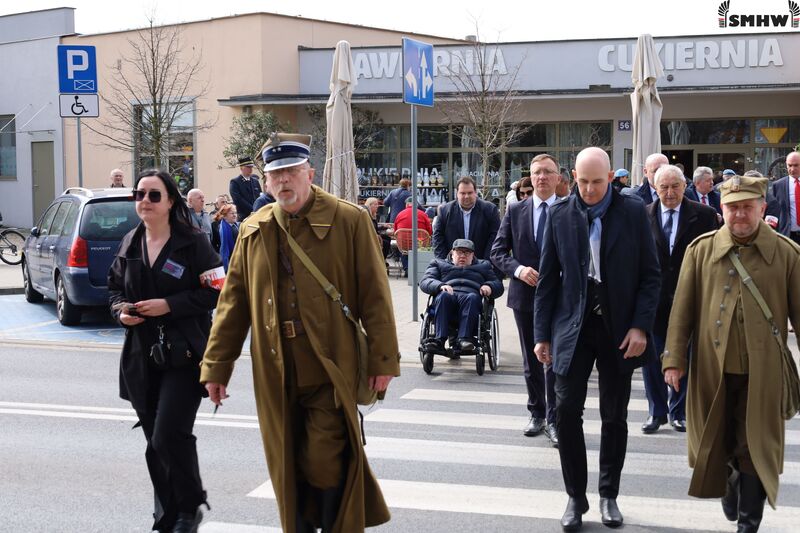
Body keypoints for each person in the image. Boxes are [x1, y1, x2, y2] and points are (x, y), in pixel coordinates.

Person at [200, 133, 400, 533]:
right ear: (265, 183)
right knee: (287, 462)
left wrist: (383, 360)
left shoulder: (350, 220)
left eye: (291, 171)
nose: (284, 181)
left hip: (330, 365)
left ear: (310, 173)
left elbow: (375, 297)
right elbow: (233, 305)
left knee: (323, 459)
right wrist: (216, 367)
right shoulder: (254, 228)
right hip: (276, 368)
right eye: (275, 175)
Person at [663, 175, 800, 532]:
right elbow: (682, 310)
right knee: (718, 442)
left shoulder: (787, 254)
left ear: (762, 208)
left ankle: (748, 523)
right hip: (712, 370)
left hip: (764, 373)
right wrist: (674, 359)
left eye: (747, 207)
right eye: (733, 208)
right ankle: (729, 487)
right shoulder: (701, 250)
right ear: (721, 210)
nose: (740, 215)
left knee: (755, 446)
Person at [533, 147, 660, 531]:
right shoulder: (560, 214)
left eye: (597, 182)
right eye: (583, 181)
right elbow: (548, 281)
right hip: (572, 328)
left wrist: (640, 326)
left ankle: (608, 494)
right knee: (566, 411)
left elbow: (651, 276)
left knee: (614, 417)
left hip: (619, 329)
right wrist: (542, 335)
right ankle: (575, 496)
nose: (589, 190)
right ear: (571, 176)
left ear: (611, 179)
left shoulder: (634, 212)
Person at [108, 169, 221, 533]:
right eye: (139, 194)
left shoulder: (194, 242)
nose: (145, 201)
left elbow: (216, 291)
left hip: (184, 356)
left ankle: (189, 508)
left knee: (167, 435)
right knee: (155, 443)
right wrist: (120, 311)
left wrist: (169, 305)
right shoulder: (129, 242)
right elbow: (113, 291)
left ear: (171, 201)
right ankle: (168, 515)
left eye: (154, 195)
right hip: (142, 357)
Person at [640, 165, 718, 435]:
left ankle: (679, 411)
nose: (670, 192)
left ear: (685, 187)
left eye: (675, 186)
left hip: (690, 298)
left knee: (685, 354)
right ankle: (656, 411)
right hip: (653, 299)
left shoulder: (705, 215)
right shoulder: (643, 214)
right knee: (651, 357)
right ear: (655, 188)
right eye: (664, 187)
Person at [490, 155, 560, 447]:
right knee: (532, 360)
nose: (541, 177)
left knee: (555, 360)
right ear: (530, 178)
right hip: (525, 297)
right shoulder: (516, 210)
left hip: (559, 298)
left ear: (558, 177)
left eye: (547, 172)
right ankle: (537, 414)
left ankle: (556, 420)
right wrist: (518, 269)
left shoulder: (570, 210)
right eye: (536, 173)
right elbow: (497, 251)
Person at [420, 238, 503, 352]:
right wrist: (440, 285)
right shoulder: (438, 263)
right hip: (448, 298)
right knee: (443, 296)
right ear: (452, 253)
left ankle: (464, 339)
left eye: (467, 252)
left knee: (472, 297)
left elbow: (498, 284)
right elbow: (426, 281)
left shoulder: (484, 265)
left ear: (473, 255)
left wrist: (489, 286)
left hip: (471, 299)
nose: (463, 256)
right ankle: (439, 340)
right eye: (459, 252)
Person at [432, 176, 500, 261]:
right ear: (457, 194)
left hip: (482, 265)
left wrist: (486, 264)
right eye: (463, 193)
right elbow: (438, 239)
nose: (466, 196)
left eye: (470, 193)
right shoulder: (444, 211)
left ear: (475, 192)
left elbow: (494, 239)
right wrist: (443, 263)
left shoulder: (490, 210)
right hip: (452, 266)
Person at [766, 151, 800, 245]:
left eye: (796, 165)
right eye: (790, 165)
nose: (792, 169)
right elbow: (773, 210)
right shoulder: (778, 185)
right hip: (787, 236)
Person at [393, 196, 433, 275]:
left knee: (404, 247)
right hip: (420, 244)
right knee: (418, 245)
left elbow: (395, 231)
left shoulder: (399, 214)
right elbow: (430, 231)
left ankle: (407, 268)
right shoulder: (423, 214)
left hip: (404, 244)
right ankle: (418, 268)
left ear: (407, 205)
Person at [229, 156, 262, 221]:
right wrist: (253, 209)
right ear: (241, 168)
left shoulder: (255, 181)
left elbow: (260, 196)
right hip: (244, 216)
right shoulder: (235, 182)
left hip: (257, 215)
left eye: (251, 167)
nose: (251, 169)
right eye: (248, 167)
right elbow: (238, 200)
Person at [214, 204, 239, 272]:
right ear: (224, 216)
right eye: (232, 213)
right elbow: (224, 250)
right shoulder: (223, 229)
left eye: (235, 212)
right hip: (232, 260)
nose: (235, 215)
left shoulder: (236, 225)